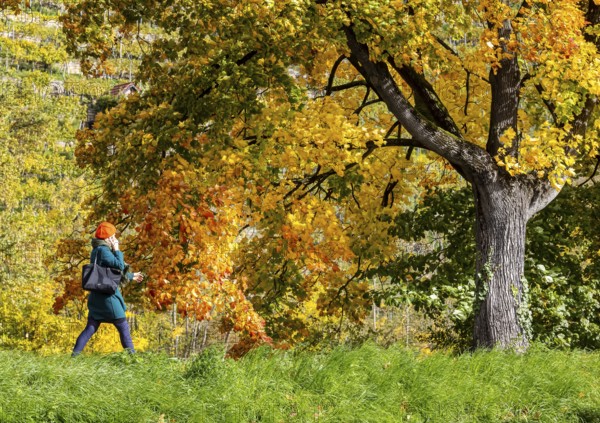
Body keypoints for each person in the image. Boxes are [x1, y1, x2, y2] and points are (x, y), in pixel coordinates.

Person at [72, 222, 144, 356]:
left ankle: (74, 356)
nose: (115, 239)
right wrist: (117, 249)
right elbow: (119, 266)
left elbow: (107, 273)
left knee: (90, 328)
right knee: (123, 327)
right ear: (108, 238)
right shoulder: (104, 251)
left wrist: (131, 276)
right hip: (108, 299)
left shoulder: (97, 250)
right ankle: (134, 360)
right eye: (113, 236)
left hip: (96, 297)